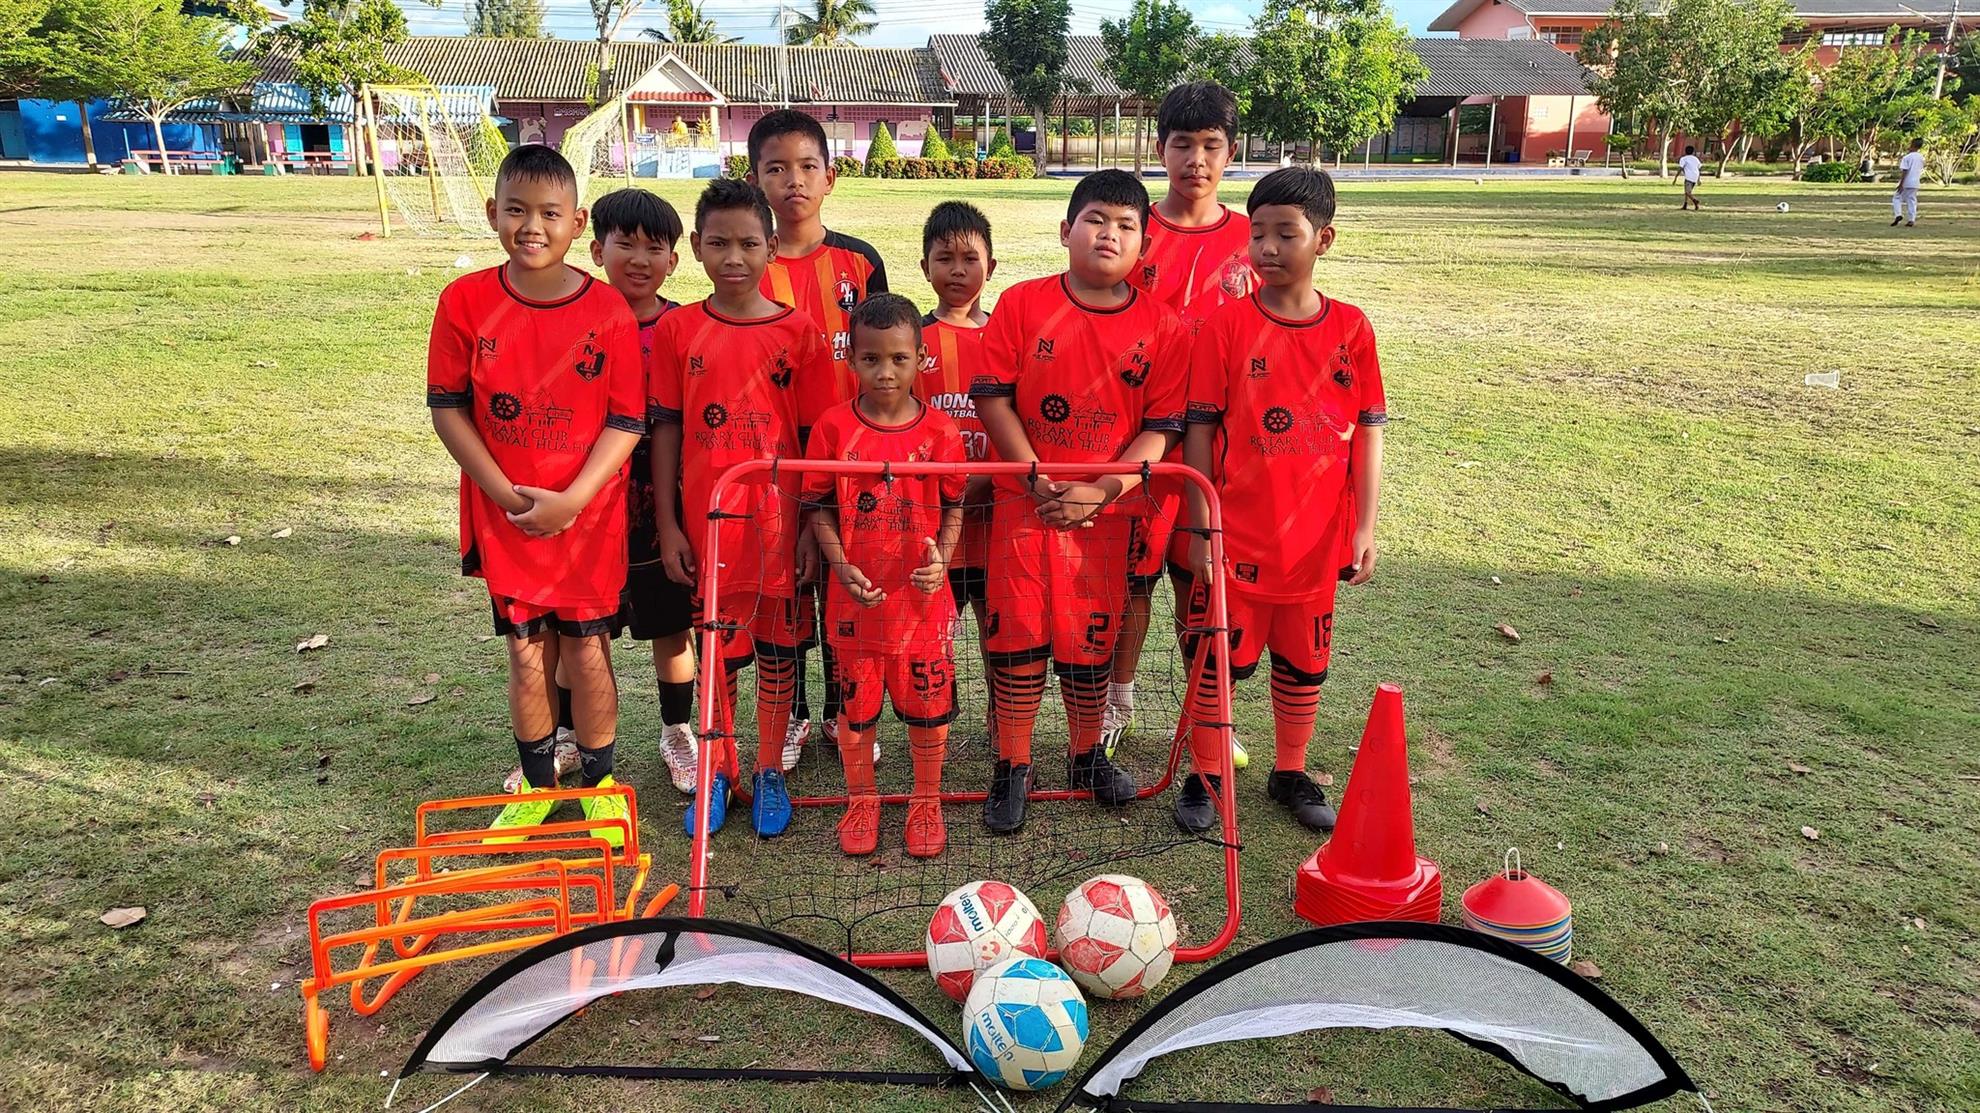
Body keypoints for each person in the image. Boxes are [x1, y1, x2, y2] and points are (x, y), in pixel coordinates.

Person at [426, 145, 643, 845]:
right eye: (516, 210)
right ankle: (538, 788)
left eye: (550, 213)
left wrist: (572, 499)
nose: (532, 226)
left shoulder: (608, 309)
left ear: (577, 222)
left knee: (586, 650)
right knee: (526, 653)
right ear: (494, 213)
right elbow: (448, 408)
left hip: (588, 517)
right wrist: (505, 495)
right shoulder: (463, 301)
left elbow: (626, 421)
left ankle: (601, 789)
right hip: (507, 517)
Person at [970, 169, 1191, 834]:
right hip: (1024, 506)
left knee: (1089, 642)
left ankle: (1086, 752)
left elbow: (1162, 430)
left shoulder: (1165, 328)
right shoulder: (1021, 304)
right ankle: (1012, 763)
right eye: (1096, 219)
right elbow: (992, 397)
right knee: (1016, 640)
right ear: (1066, 230)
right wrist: (1032, 473)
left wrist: (1102, 488)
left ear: (1144, 245)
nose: (1109, 234)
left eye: (1126, 226)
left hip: (1107, 517)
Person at [1176, 166, 1386, 834]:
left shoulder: (1352, 328)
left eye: (1285, 233)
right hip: (1237, 538)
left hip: (1317, 543)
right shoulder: (1227, 327)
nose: (1266, 248)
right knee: (1218, 663)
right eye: (1257, 233)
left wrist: (1364, 527)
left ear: (1324, 239)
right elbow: (1201, 432)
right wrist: (1203, 527)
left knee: (1304, 666)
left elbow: (1368, 433)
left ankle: (1289, 771)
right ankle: (1205, 773)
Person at [648, 177, 832, 837]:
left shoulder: (800, 332)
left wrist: (810, 525)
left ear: (771, 248)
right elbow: (666, 429)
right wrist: (670, 523)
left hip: (779, 526)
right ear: (697, 246)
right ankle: (720, 766)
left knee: (781, 649)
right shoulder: (677, 330)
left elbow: (816, 440)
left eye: (748, 244)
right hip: (709, 526)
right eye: (719, 243)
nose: (734, 257)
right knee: (718, 653)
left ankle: (769, 767)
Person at [1109, 80, 1259, 768]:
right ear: (1159, 147)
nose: (1196, 160)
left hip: (1222, 441)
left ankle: (1207, 713)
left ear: (1231, 151)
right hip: (1144, 431)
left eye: (1210, 145)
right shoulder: (1132, 228)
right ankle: (1117, 702)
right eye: (1181, 144)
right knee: (1132, 580)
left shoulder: (1251, 236)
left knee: (1200, 578)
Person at [748, 108, 891, 772]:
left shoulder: (859, 262)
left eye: (808, 166)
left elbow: (887, 351)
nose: (794, 181)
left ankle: (844, 709)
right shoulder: (748, 262)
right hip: (776, 463)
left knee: (845, 585)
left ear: (830, 177)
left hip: (851, 462)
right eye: (776, 169)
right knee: (788, 590)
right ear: (755, 179)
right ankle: (796, 714)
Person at [803, 293, 966, 857]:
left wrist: (942, 559)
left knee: (929, 709)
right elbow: (818, 506)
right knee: (857, 710)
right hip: (855, 604)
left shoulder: (941, 432)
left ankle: (927, 799)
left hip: (922, 606)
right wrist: (840, 563)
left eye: (899, 358)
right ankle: (862, 799)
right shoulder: (832, 428)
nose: (886, 372)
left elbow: (955, 505)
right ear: (851, 358)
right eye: (871, 359)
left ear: (921, 358)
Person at [915, 201, 997, 739]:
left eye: (970, 259)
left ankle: (1000, 715)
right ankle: (935, 716)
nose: (958, 270)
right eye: (945, 258)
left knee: (997, 626)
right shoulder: (910, 341)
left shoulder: (1005, 337)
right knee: (933, 626)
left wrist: (985, 481)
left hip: (992, 518)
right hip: (930, 521)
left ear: (992, 265)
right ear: (925, 267)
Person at [1892, 137, 1924, 227]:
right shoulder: (1921, 157)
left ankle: (1898, 214)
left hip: (1906, 182)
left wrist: (1901, 184)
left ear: (1912, 145)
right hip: (1915, 182)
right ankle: (1911, 219)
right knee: (1912, 200)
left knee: (1897, 198)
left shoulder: (1907, 157)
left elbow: (1905, 171)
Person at [1678, 145, 1702, 211]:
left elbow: (1680, 168)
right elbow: (1698, 168)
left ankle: (1695, 200)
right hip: (1695, 176)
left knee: (1687, 192)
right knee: (1688, 192)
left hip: (1689, 177)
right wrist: (1698, 179)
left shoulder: (1683, 159)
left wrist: (1676, 177)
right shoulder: (1695, 159)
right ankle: (1686, 205)